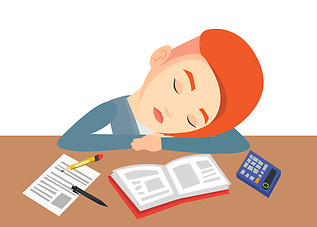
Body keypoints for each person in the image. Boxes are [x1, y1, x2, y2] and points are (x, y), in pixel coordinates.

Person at [57, 29, 263, 153]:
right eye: (177, 86)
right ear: (161, 57)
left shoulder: (181, 135)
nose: (173, 111)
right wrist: (136, 144)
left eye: (192, 119)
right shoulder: (116, 109)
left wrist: (162, 145)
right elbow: (70, 140)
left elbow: (236, 144)